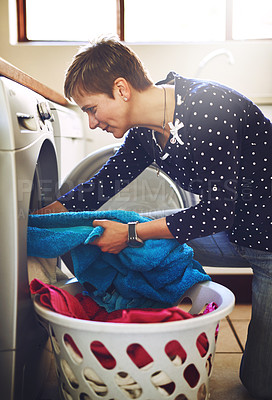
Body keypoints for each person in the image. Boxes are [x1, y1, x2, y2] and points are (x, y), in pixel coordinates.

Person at [38, 36, 272, 399]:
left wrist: (132, 233)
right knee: (104, 231)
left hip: (267, 243)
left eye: (91, 108)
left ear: (121, 89)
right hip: (232, 232)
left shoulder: (208, 109)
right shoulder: (146, 133)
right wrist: (44, 218)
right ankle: (129, 313)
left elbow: (218, 209)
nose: (92, 122)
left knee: (259, 382)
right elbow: (105, 181)